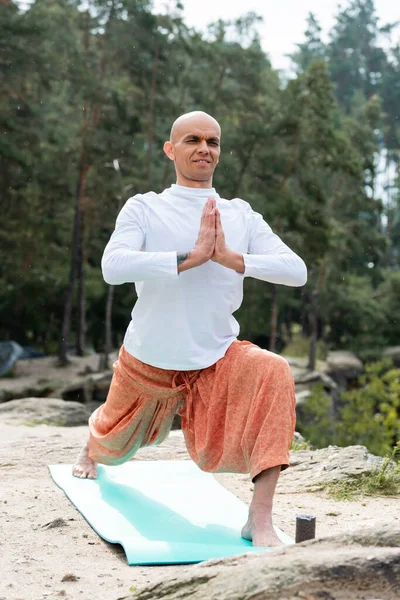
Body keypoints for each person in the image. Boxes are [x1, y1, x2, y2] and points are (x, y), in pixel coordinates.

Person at [72, 111, 307, 547]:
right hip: (149, 357)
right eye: (193, 139)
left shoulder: (241, 215)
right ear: (171, 149)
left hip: (215, 357)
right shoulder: (145, 206)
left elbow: (296, 271)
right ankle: (91, 444)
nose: (204, 148)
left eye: (213, 142)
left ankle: (259, 519)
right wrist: (189, 257)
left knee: (274, 370)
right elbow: (112, 266)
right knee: (113, 446)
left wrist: (231, 258)